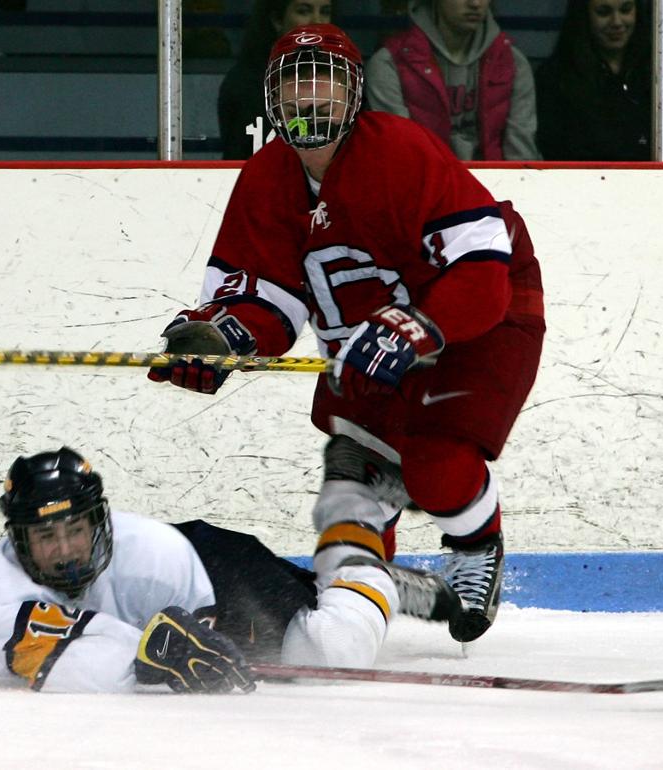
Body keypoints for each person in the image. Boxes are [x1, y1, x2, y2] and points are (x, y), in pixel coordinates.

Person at [148, 24, 545, 644]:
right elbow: (266, 303)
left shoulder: (401, 153)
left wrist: (417, 326)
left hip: (477, 316)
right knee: (347, 504)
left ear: (355, 94)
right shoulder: (264, 179)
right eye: (295, 81)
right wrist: (221, 341)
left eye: (325, 81)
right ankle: (384, 585)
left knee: (435, 464)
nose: (310, 97)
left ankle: (475, 545)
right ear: (272, 97)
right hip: (368, 343)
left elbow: (480, 271)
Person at [0, 447, 412, 693]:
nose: (67, 549)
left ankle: (367, 554)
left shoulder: (157, 555)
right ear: (19, 539)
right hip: (166, 599)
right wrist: (151, 657)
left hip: (212, 569)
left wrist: (155, 652)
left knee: (331, 650)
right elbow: (76, 669)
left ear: (98, 521)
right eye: (46, 536)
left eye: (76, 529)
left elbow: (184, 630)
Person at [364, 0, 540, 160]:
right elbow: (399, 156)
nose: (475, 3)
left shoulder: (512, 62)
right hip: (425, 187)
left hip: (496, 188)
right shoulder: (390, 63)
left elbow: (521, 158)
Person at [536, 0, 663, 161]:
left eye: (625, 10)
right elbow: (555, 153)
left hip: (660, 186)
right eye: (603, 12)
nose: (617, 22)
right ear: (583, 16)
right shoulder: (555, 76)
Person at [218, 0, 336, 159]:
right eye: (303, 11)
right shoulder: (243, 84)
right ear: (277, 20)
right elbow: (235, 165)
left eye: (325, 12)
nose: (317, 22)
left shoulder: (347, 80)